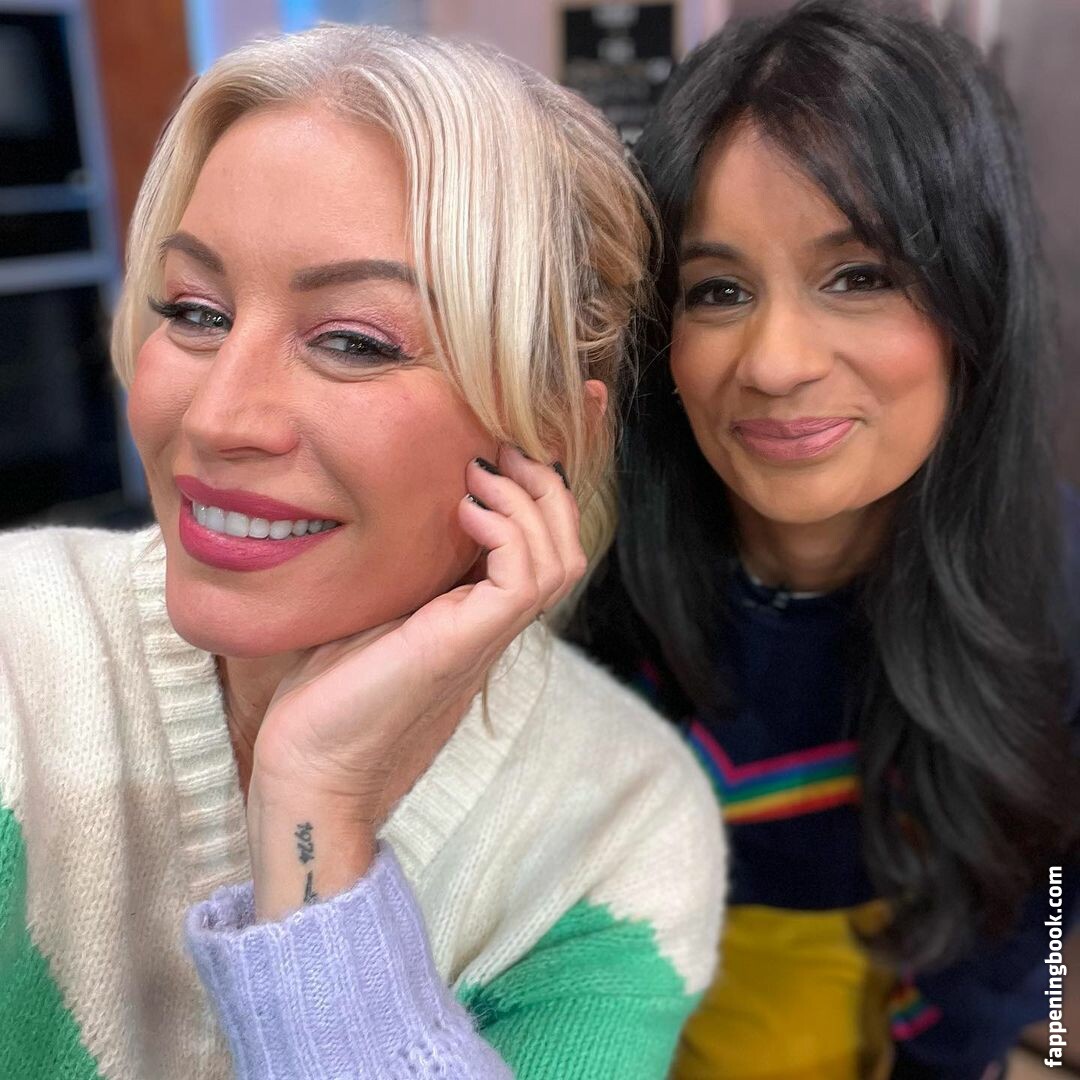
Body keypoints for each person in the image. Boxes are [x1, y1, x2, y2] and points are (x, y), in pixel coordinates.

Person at [0, 25, 725, 1080]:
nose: (218, 416)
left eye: (352, 340)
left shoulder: (624, 826)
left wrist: (317, 807)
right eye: (196, 312)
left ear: (554, 425)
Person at [567, 1, 1080, 1076]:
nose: (776, 362)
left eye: (860, 277)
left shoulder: (1057, 594)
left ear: (978, 298)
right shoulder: (578, 598)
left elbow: (1037, 909)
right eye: (718, 290)